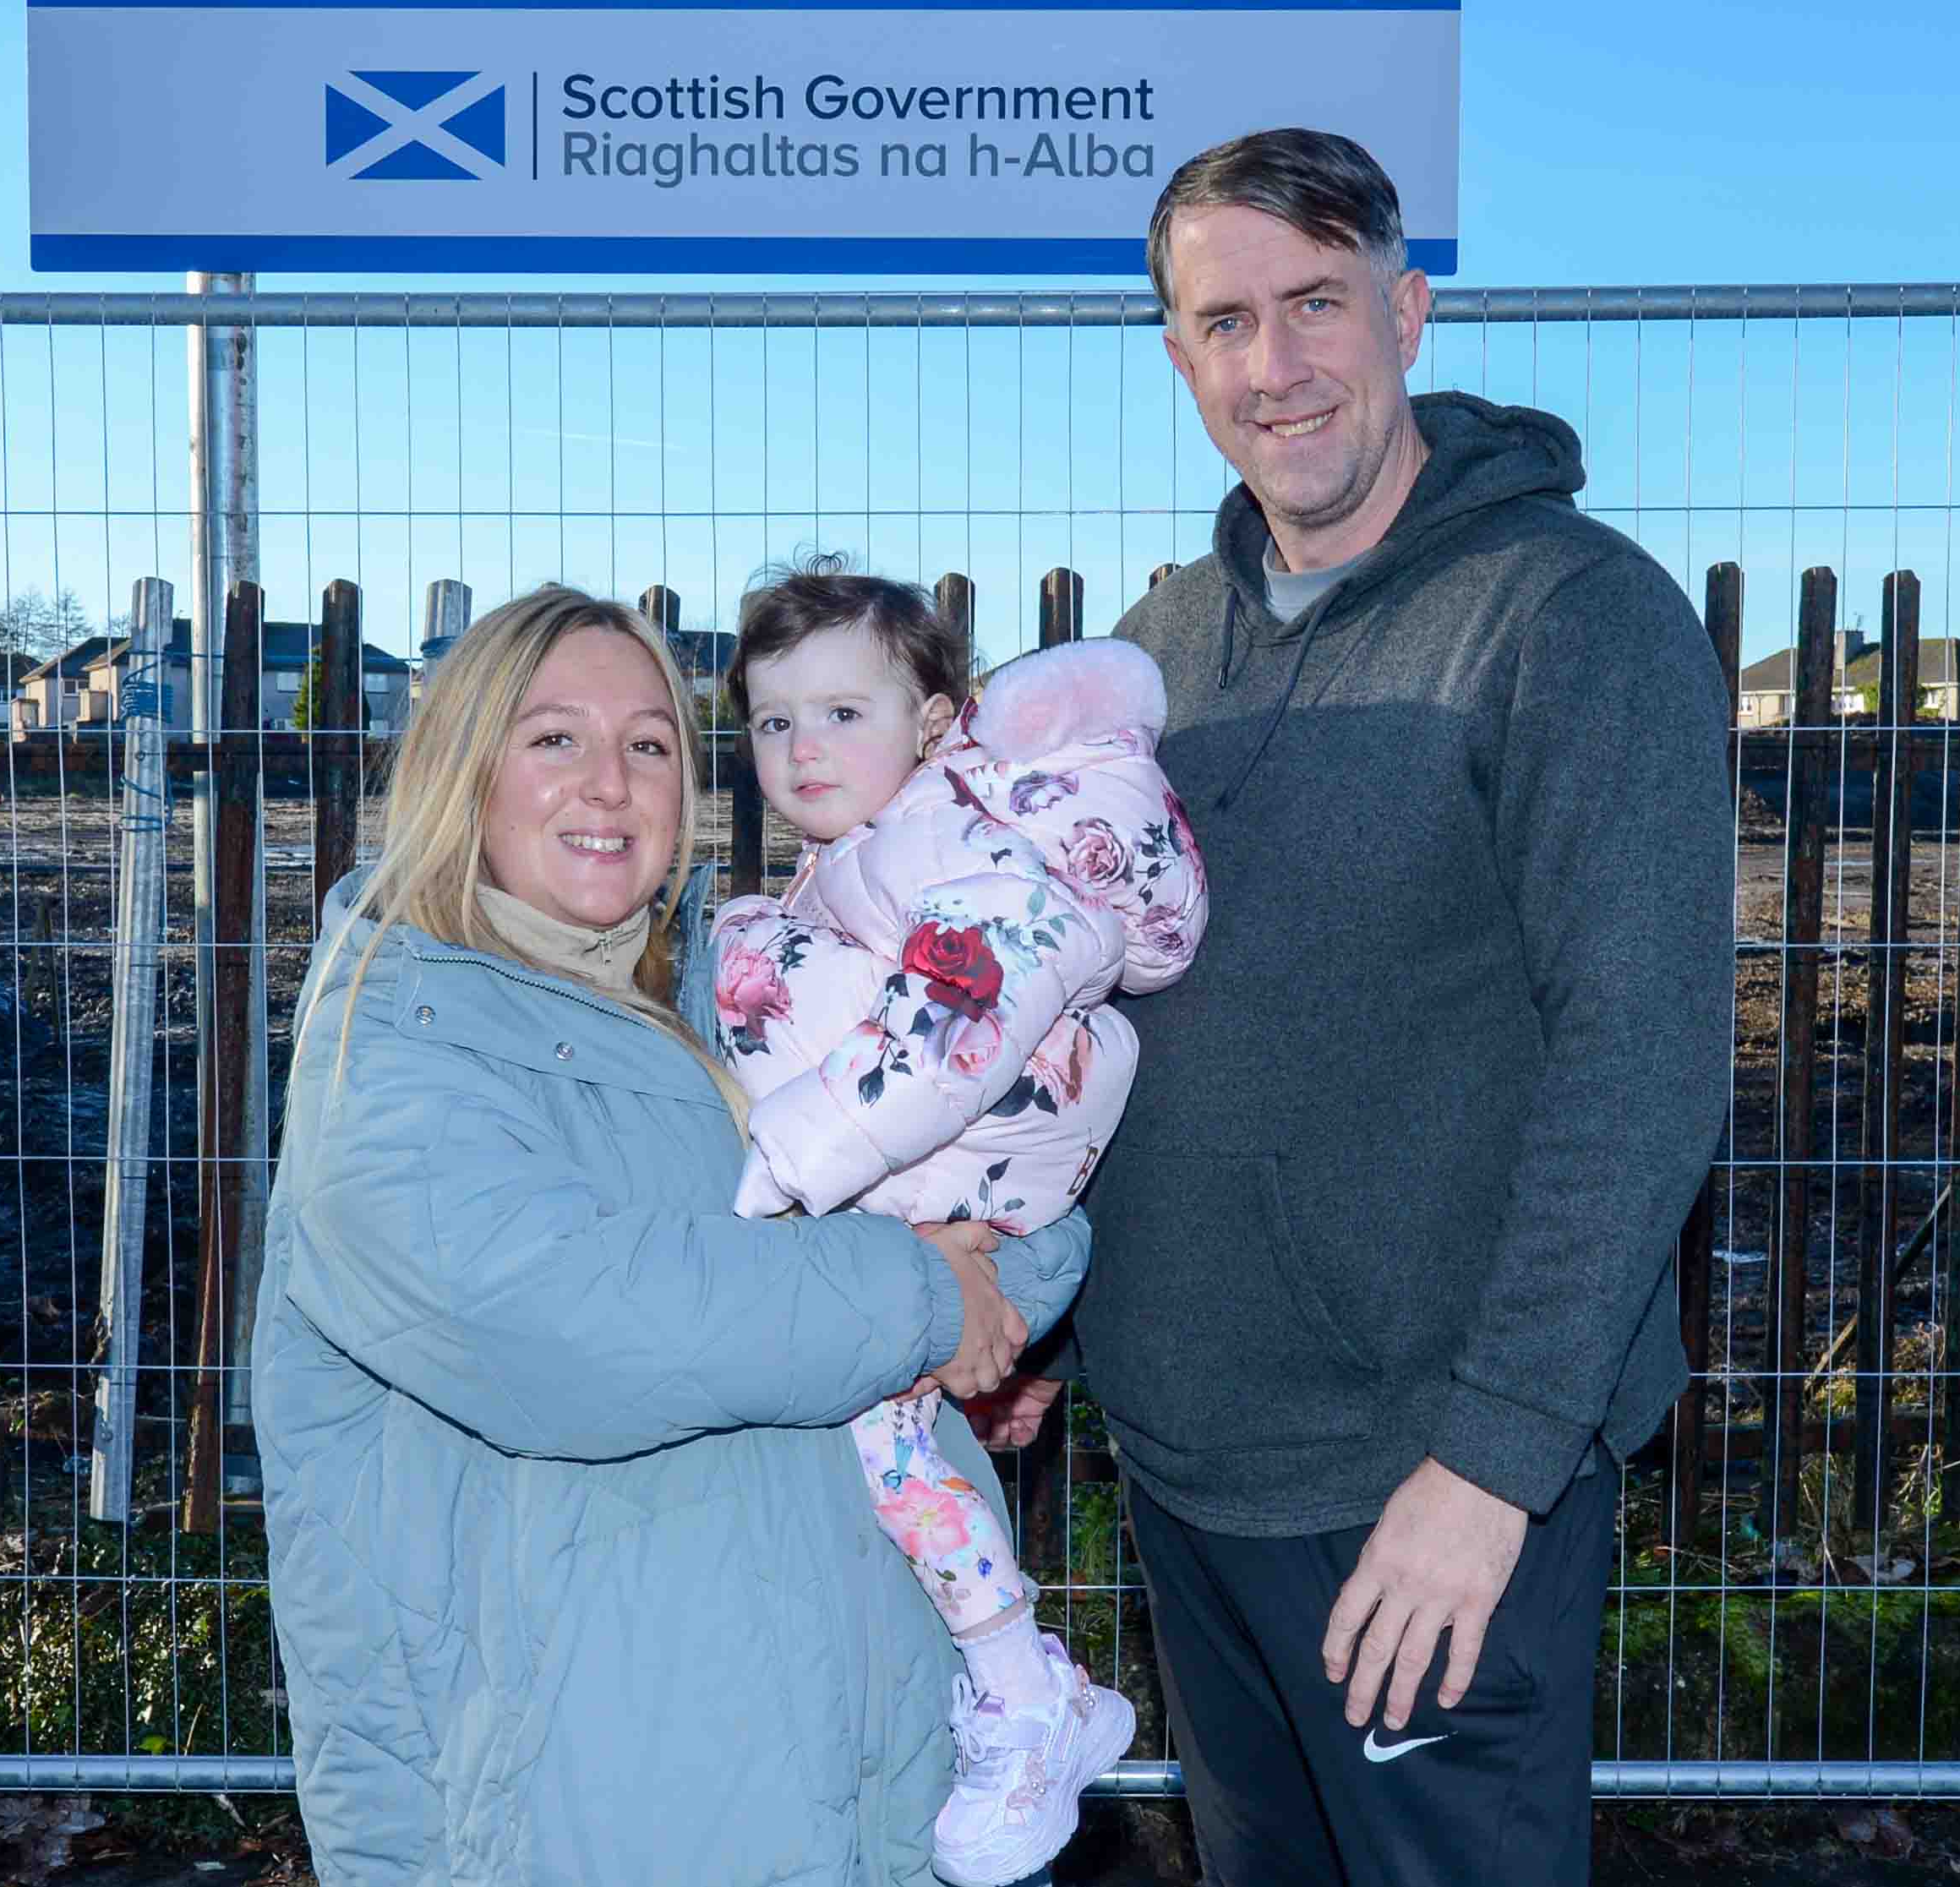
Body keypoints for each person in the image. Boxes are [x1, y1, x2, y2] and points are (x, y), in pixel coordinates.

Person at [968, 130, 1733, 1883]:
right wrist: (1040, 1319)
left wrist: (1492, 1469)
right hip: (1189, 1466)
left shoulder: (1568, 617)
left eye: (1315, 304)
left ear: (1404, 311)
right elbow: (1090, 1013)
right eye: (1224, 321)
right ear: (1179, 354)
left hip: (1428, 1486)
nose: (1274, 364)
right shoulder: (1161, 652)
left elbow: (1638, 1068)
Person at [251, 582, 1095, 1885]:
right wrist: (927, 1302)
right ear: (462, 770)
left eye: (650, 743)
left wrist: (1001, 1303)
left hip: (879, 1784)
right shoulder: (398, 1038)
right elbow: (580, 1323)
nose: (609, 783)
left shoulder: (743, 991)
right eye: (553, 739)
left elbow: (1014, 1180)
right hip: (581, 1820)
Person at [712, 558, 1207, 1887]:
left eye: (841, 713)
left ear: (933, 722)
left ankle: (1019, 1685)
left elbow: (955, 1026)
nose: (802, 749)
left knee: (885, 1449)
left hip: (975, 1203)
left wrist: (787, 1162)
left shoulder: (943, 834)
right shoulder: (872, 850)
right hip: (964, 1198)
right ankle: (999, 1679)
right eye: (772, 722)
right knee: (888, 1449)